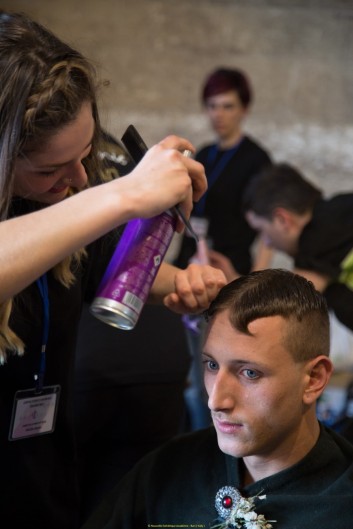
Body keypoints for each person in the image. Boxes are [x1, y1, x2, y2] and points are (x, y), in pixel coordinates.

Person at [0, 11, 226, 529]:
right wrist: (124, 195)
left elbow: (99, 268)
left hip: (42, 471)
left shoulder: (58, 192)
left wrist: (183, 281)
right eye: (50, 170)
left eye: (84, 155)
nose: (78, 179)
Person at [82, 269, 353, 529]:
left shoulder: (341, 508)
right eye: (212, 365)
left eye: (250, 373)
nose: (216, 400)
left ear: (314, 379)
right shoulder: (168, 470)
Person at [174, 67, 272, 430]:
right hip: (188, 270)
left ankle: (213, 452)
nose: (219, 114)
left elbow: (268, 231)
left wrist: (254, 281)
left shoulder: (256, 160)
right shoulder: (205, 154)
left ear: (244, 109)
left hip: (228, 276)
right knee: (185, 375)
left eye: (227, 106)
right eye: (212, 106)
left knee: (211, 379)